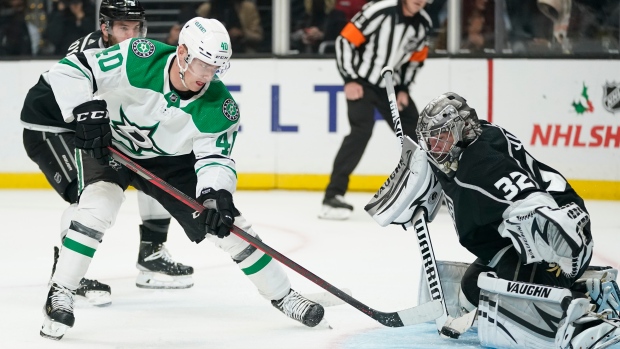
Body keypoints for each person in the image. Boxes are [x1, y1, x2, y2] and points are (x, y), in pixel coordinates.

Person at [39, 16, 325, 340]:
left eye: (215, 67)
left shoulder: (220, 107)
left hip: (168, 163)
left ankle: (283, 295)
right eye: (203, 63)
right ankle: (60, 292)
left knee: (232, 229)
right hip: (112, 148)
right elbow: (71, 69)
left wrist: (217, 193)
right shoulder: (138, 56)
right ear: (183, 51)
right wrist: (85, 108)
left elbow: (215, 158)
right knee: (97, 208)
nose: (207, 75)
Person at [370, 92, 620, 348]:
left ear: (461, 129)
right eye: (430, 141)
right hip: (513, 244)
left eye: (440, 137)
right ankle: (588, 289)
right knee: (471, 289)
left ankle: (585, 317)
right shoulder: (470, 144)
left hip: (560, 244)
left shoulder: (482, 166)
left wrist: (564, 245)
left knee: (511, 311)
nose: (434, 148)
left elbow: (532, 203)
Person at [21, 0, 194, 307]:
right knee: (86, 194)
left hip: (87, 128)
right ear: (105, 28)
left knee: (154, 166)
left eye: (136, 27)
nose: (131, 34)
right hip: (50, 128)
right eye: (122, 28)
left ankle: (151, 253)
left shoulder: (139, 53)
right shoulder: (91, 52)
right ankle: (67, 275)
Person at [319, 0, 431, 220]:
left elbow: (415, 60)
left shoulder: (423, 23)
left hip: (392, 86)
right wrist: (350, 79)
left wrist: (404, 89)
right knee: (361, 132)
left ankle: (435, 188)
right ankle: (332, 196)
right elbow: (345, 40)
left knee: (419, 135)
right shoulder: (380, 11)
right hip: (362, 82)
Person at [196, 0, 263, 53]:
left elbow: (257, 36)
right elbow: (197, 34)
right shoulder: (206, 9)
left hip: (241, 49)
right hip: (210, 50)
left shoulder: (247, 8)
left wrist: (242, 33)